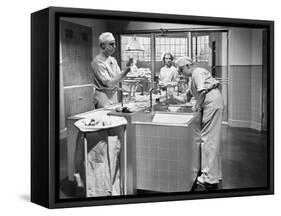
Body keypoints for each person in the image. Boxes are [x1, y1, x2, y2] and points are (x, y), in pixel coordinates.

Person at [169, 56, 224, 187]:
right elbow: (185, 99)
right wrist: (171, 96)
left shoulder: (197, 72)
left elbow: (201, 91)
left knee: (209, 140)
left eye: (181, 70)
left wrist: (197, 105)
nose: (181, 73)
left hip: (211, 103)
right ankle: (214, 174)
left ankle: (210, 179)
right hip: (212, 103)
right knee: (211, 140)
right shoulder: (191, 79)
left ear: (188, 66)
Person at [91, 32, 131, 108]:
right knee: (105, 118)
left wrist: (127, 67)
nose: (114, 47)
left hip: (113, 95)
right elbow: (109, 83)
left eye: (114, 44)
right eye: (111, 44)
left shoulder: (112, 60)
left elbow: (119, 78)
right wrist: (125, 72)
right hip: (103, 97)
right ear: (102, 45)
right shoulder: (98, 62)